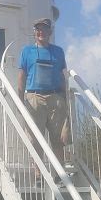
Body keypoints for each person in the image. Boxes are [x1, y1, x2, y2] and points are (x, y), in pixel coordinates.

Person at [17, 17, 69, 166]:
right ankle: (38, 173)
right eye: (38, 29)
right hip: (34, 97)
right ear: (34, 32)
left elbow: (62, 74)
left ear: (50, 31)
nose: (41, 32)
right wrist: (20, 99)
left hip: (55, 97)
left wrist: (65, 98)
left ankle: (60, 174)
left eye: (45, 29)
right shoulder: (27, 51)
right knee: (35, 138)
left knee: (58, 138)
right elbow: (22, 76)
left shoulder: (58, 51)